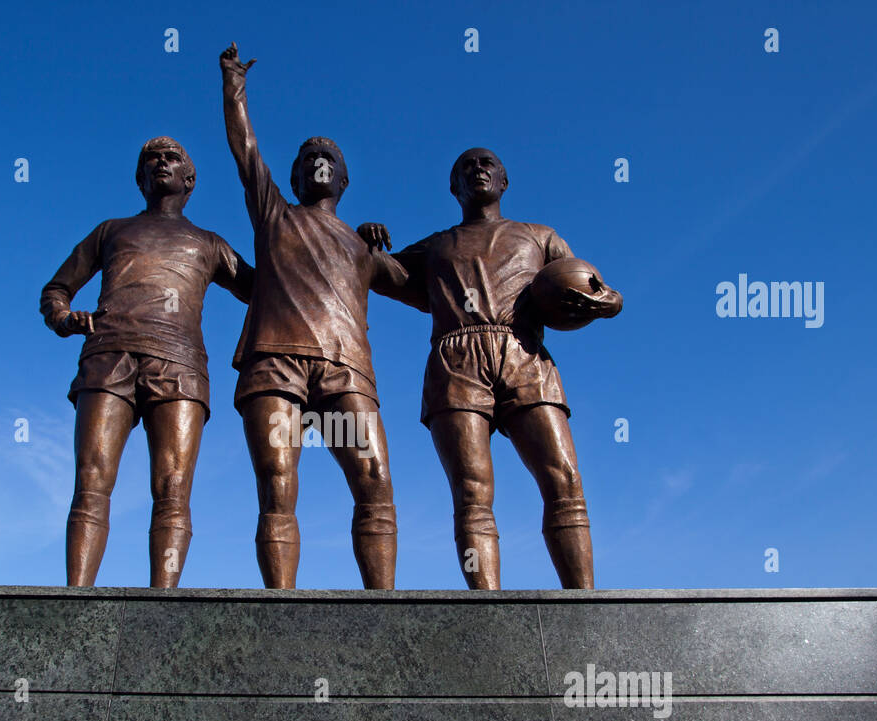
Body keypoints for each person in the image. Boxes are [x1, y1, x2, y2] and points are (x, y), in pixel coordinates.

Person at [360, 147, 622, 589]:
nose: (476, 169)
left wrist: (602, 302)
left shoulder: (540, 237)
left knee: (565, 479)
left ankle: (584, 604)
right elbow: (381, 274)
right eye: (465, 167)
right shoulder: (437, 246)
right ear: (453, 188)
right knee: (472, 492)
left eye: (486, 164)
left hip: (523, 354)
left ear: (504, 181)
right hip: (456, 361)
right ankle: (486, 608)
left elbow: (603, 292)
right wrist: (364, 242)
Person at [220, 42, 408, 589]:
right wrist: (234, 83)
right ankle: (281, 605)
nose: (317, 162)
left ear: (343, 182)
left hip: (343, 368)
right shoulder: (274, 214)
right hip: (276, 364)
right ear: (296, 179)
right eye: (306, 161)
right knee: (278, 485)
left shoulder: (363, 246)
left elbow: (427, 286)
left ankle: (383, 608)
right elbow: (245, 148)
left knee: (374, 480)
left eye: (328, 159)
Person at [40, 137, 253, 586]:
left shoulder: (209, 243)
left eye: (172, 158)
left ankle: (164, 603)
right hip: (108, 355)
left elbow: (268, 291)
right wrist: (63, 317)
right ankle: (74, 599)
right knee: (92, 479)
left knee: (173, 488)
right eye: (151, 160)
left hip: (179, 366)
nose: (161, 163)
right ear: (139, 179)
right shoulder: (111, 230)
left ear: (189, 179)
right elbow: (56, 289)